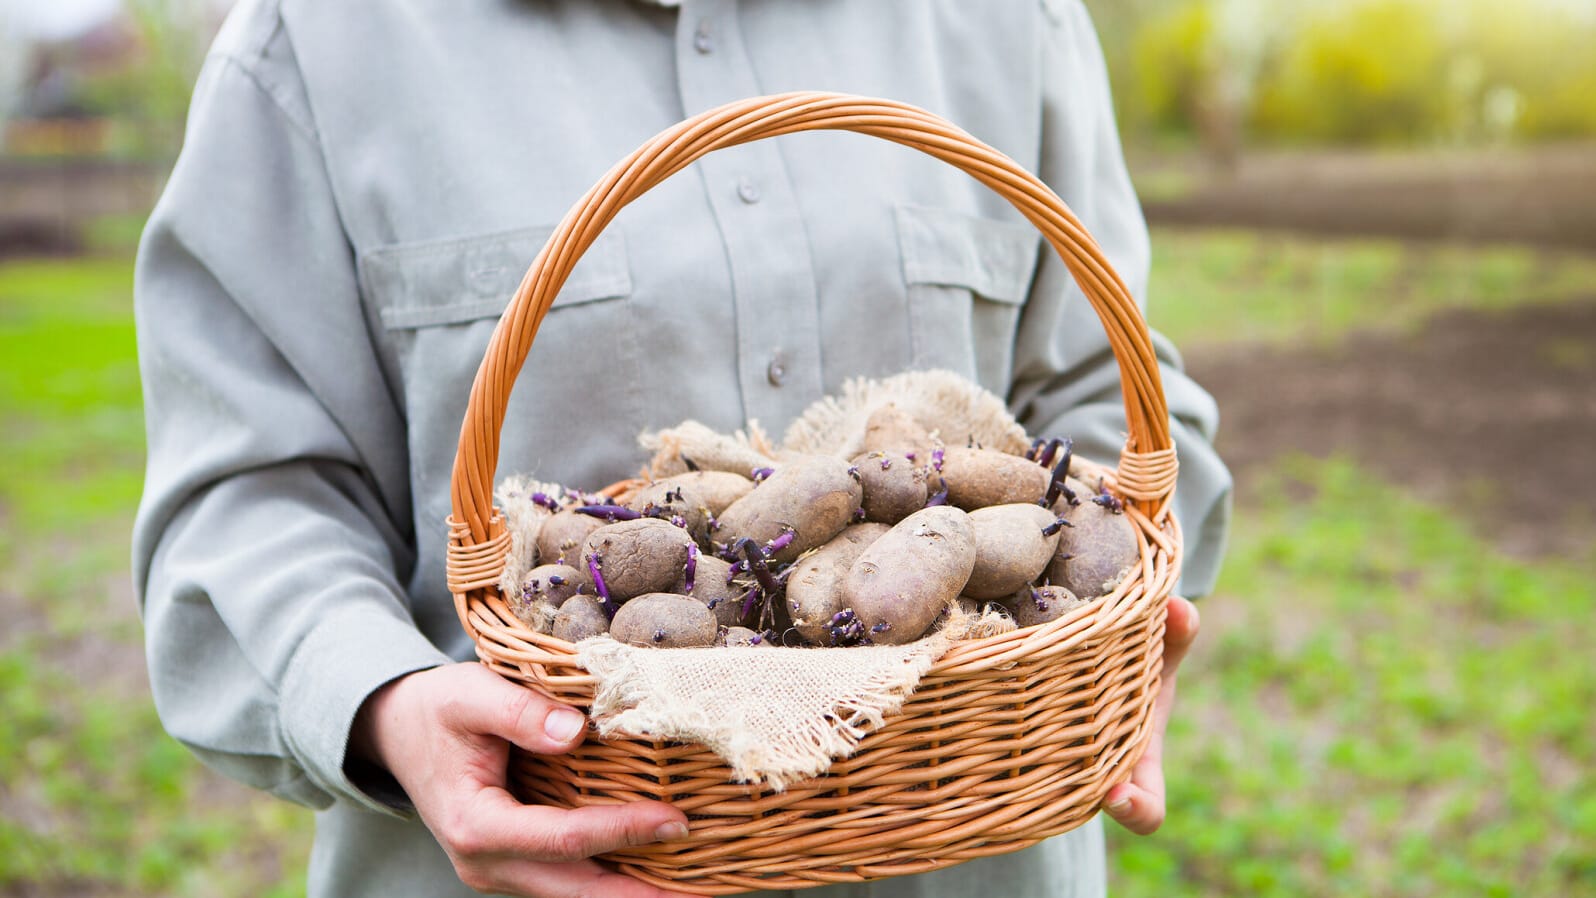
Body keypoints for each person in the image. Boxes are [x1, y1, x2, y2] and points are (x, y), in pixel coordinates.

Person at [132, 1, 1231, 896]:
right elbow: (247, 489)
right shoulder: (315, 43)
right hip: (552, 840)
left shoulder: (1010, 21)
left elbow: (1108, 395)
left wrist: (1118, 610)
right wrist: (376, 700)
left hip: (985, 844)